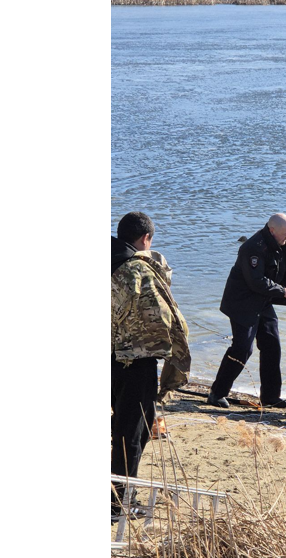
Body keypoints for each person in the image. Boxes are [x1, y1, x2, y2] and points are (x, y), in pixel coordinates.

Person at [111, 211, 192, 520]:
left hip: (107, 360)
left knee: (118, 427)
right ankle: (118, 505)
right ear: (145, 239)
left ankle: (113, 496)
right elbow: (164, 317)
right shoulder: (137, 269)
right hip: (135, 363)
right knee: (131, 434)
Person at [208, 213, 286, 409]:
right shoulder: (252, 248)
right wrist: (284, 292)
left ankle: (270, 397)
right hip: (241, 301)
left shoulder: (282, 241)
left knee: (272, 344)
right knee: (243, 348)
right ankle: (217, 393)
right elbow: (256, 281)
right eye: (285, 234)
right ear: (272, 230)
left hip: (263, 301)